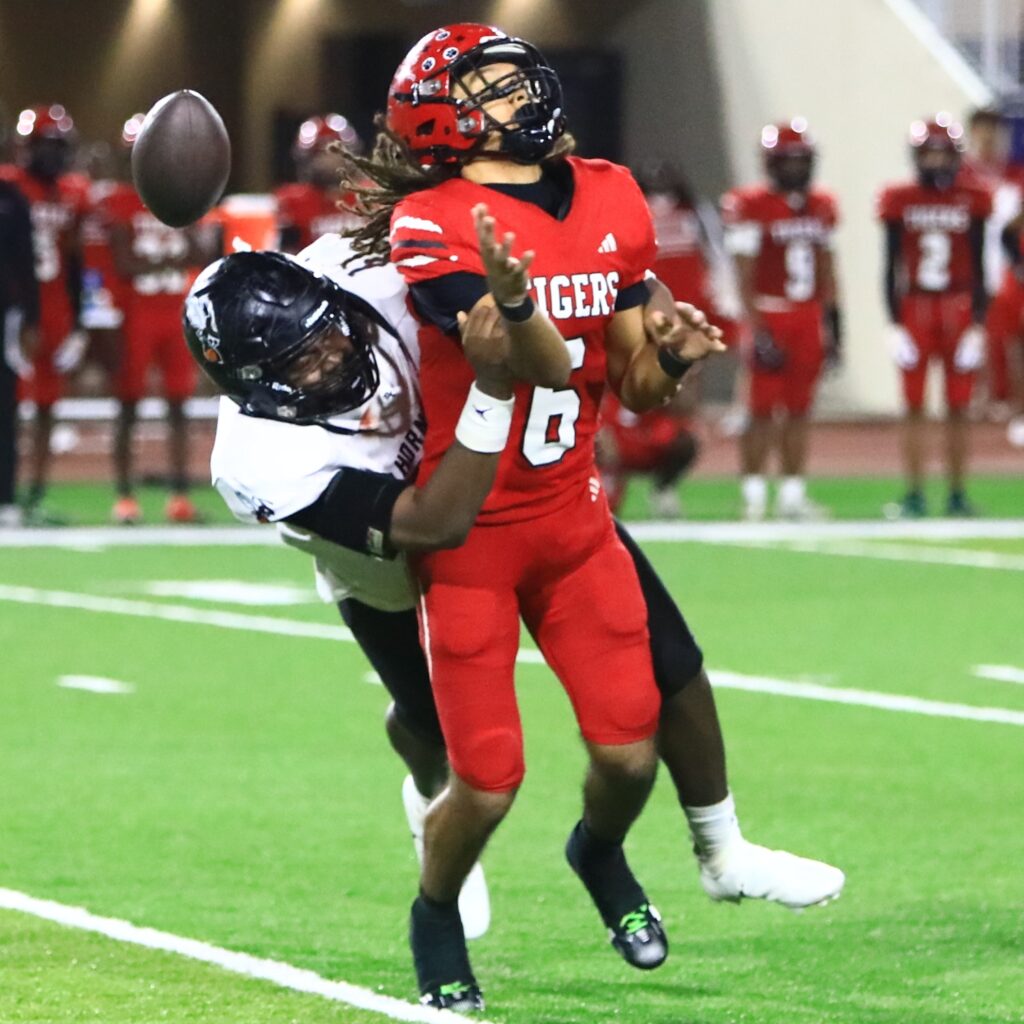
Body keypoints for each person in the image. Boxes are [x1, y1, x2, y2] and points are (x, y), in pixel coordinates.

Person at [340, 24, 842, 1011]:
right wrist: (523, 304)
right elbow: (530, 363)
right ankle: (434, 913)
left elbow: (635, 385)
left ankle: (598, 856)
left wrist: (677, 349)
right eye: (490, 84)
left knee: (627, 753)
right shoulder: (433, 220)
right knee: (485, 783)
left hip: (576, 520)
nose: (521, 89)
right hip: (472, 532)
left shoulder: (607, 192)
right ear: (446, 116)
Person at [185, 234, 518, 940]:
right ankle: (430, 799)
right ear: (257, 384)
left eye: (326, 330)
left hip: (461, 462)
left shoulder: (351, 269)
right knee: (433, 724)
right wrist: (494, 388)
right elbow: (431, 525)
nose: (333, 351)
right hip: (386, 552)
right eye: (303, 359)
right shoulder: (262, 461)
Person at [721, 119, 843, 522]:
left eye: (800, 160)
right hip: (770, 311)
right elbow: (743, 277)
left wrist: (834, 324)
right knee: (759, 410)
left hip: (807, 315)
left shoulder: (822, 205)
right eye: (787, 161)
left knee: (798, 409)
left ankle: (792, 493)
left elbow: (828, 270)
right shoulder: (750, 204)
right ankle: (753, 494)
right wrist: (756, 328)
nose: (795, 168)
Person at [101, 112, 220, 524]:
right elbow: (124, 263)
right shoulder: (118, 202)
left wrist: (174, 247)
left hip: (174, 311)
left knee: (178, 407)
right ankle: (125, 497)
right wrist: (171, 257)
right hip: (137, 314)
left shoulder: (181, 196)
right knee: (128, 405)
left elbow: (201, 254)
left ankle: (179, 497)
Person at [878, 116, 991, 517]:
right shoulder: (899, 197)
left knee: (959, 407)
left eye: (943, 153)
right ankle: (914, 492)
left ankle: (958, 492)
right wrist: (894, 324)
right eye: (929, 153)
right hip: (916, 306)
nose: (936, 161)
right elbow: (889, 265)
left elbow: (979, 265)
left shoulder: (973, 196)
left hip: (958, 304)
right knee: (913, 407)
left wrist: (978, 323)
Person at [0, 104, 90, 523]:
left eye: (58, 145)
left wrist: (79, 320)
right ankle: (9, 492)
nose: (53, 155)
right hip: (17, 307)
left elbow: (75, 262)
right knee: (11, 404)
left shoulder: (72, 193)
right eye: (46, 145)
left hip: (55, 308)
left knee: (48, 406)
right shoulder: (10, 187)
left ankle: (34, 493)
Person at [0, 167, 39, 527]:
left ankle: (5, 497)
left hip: (4, 316)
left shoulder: (11, 198)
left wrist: (32, 316)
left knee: (4, 411)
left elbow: (26, 259)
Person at [275, 114, 364, 254]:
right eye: (320, 153)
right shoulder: (294, 200)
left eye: (334, 152)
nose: (327, 160)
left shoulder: (371, 196)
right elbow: (286, 254)